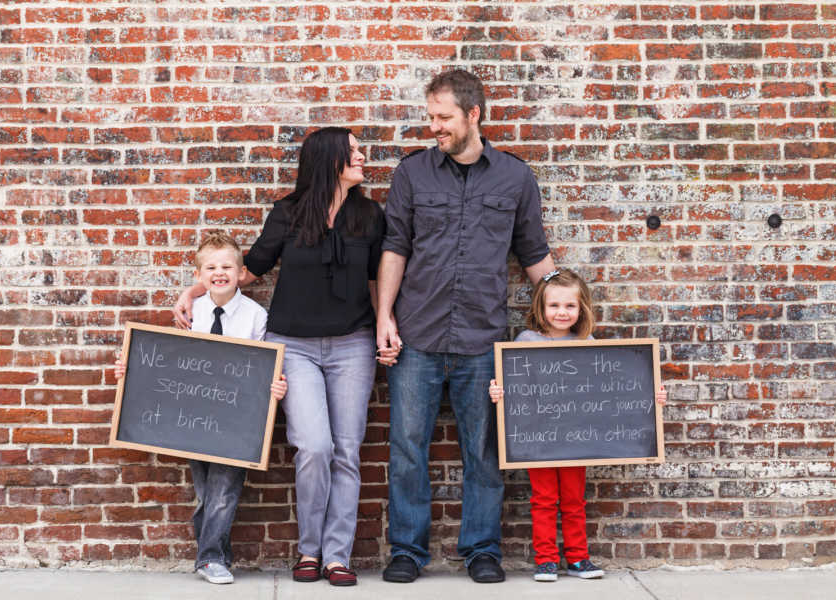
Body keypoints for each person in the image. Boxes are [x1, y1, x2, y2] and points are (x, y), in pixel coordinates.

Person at [173, 127, 385, 586]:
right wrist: (193, 289)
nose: (362, 156)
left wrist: (388, 322)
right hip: (294, 345)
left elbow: (381, 276)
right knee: (314, 447)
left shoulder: (369, 215)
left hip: (354, 344)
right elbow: (250, 269)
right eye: (352, 152)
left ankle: (336, 556)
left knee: (347, 451)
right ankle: (309, 549)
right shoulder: (287, 213)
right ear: (329, 160)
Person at [376, 68, 556, 584]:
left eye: (443, 117)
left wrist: (574, 312)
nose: (434, 126)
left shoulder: (515, 178)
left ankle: (482, 550)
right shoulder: (412, 174)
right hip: (417, 335)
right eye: (430, 116)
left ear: (473, 114)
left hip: (483, 339)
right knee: (408, 448)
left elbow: (534, 257)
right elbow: (395, 248)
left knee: (483, 450)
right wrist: (385, 317)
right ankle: (408, 551)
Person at [115, 231, 288, 585]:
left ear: (241, 273)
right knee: (207, 492)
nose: (219, 272)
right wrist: (129, 369)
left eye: (227, 266)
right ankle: (219, 555)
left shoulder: (256, 316)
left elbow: (267, 364)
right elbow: (171, 362)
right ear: (198, 275)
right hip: (194, 419)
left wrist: (277, 385)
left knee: (224, 489)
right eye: (211, 267)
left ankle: (208, 559)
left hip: (239, 420)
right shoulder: (192, 311)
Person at [488, 268, 667, 582]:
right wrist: (498, 391)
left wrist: (651, 397)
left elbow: (609, 392)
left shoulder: (587, 343)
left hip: (578, 437)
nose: (561, 312)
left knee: (573, 500)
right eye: (554, 306)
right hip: (537, 436)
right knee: (543, 499)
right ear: (540, 308)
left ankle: (578, 558)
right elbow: (514, 386)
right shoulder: (525, 341)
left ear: (581, 308)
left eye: (569, 306)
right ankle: (545, 559)